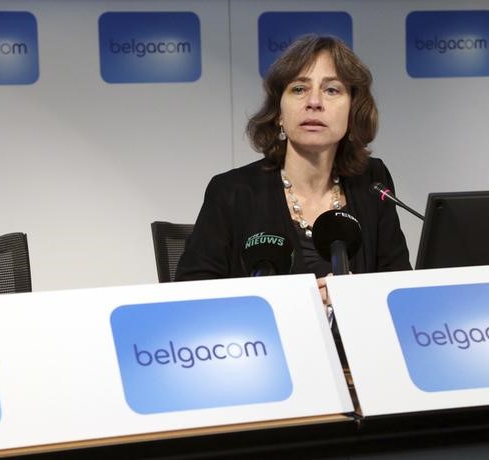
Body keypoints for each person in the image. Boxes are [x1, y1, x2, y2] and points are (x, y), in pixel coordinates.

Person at [175, 35, 411, 300]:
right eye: (299, 89)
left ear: (353, 110)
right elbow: (191, 294)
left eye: (332, 90)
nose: (314, 102)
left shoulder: (372, 181)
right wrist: (302, 305)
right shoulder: (233, 191)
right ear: (278, 112)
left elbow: (399, 286)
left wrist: (357, 298)